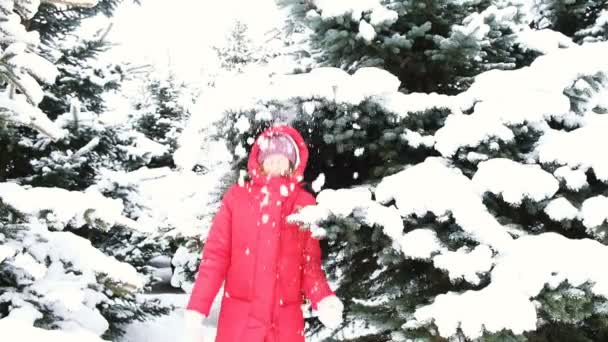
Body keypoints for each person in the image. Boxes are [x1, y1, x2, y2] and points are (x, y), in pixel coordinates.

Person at [183, 124, 344, 342]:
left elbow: (309, 263)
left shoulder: (303, 203)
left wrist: (323, 298)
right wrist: (197, 310)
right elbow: (215, 257)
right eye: (270, 156)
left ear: (292, 162)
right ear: (259, 160)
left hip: (285, 324)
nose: (276, 162)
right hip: (240, 323)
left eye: (282, 157)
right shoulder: (236, 198)